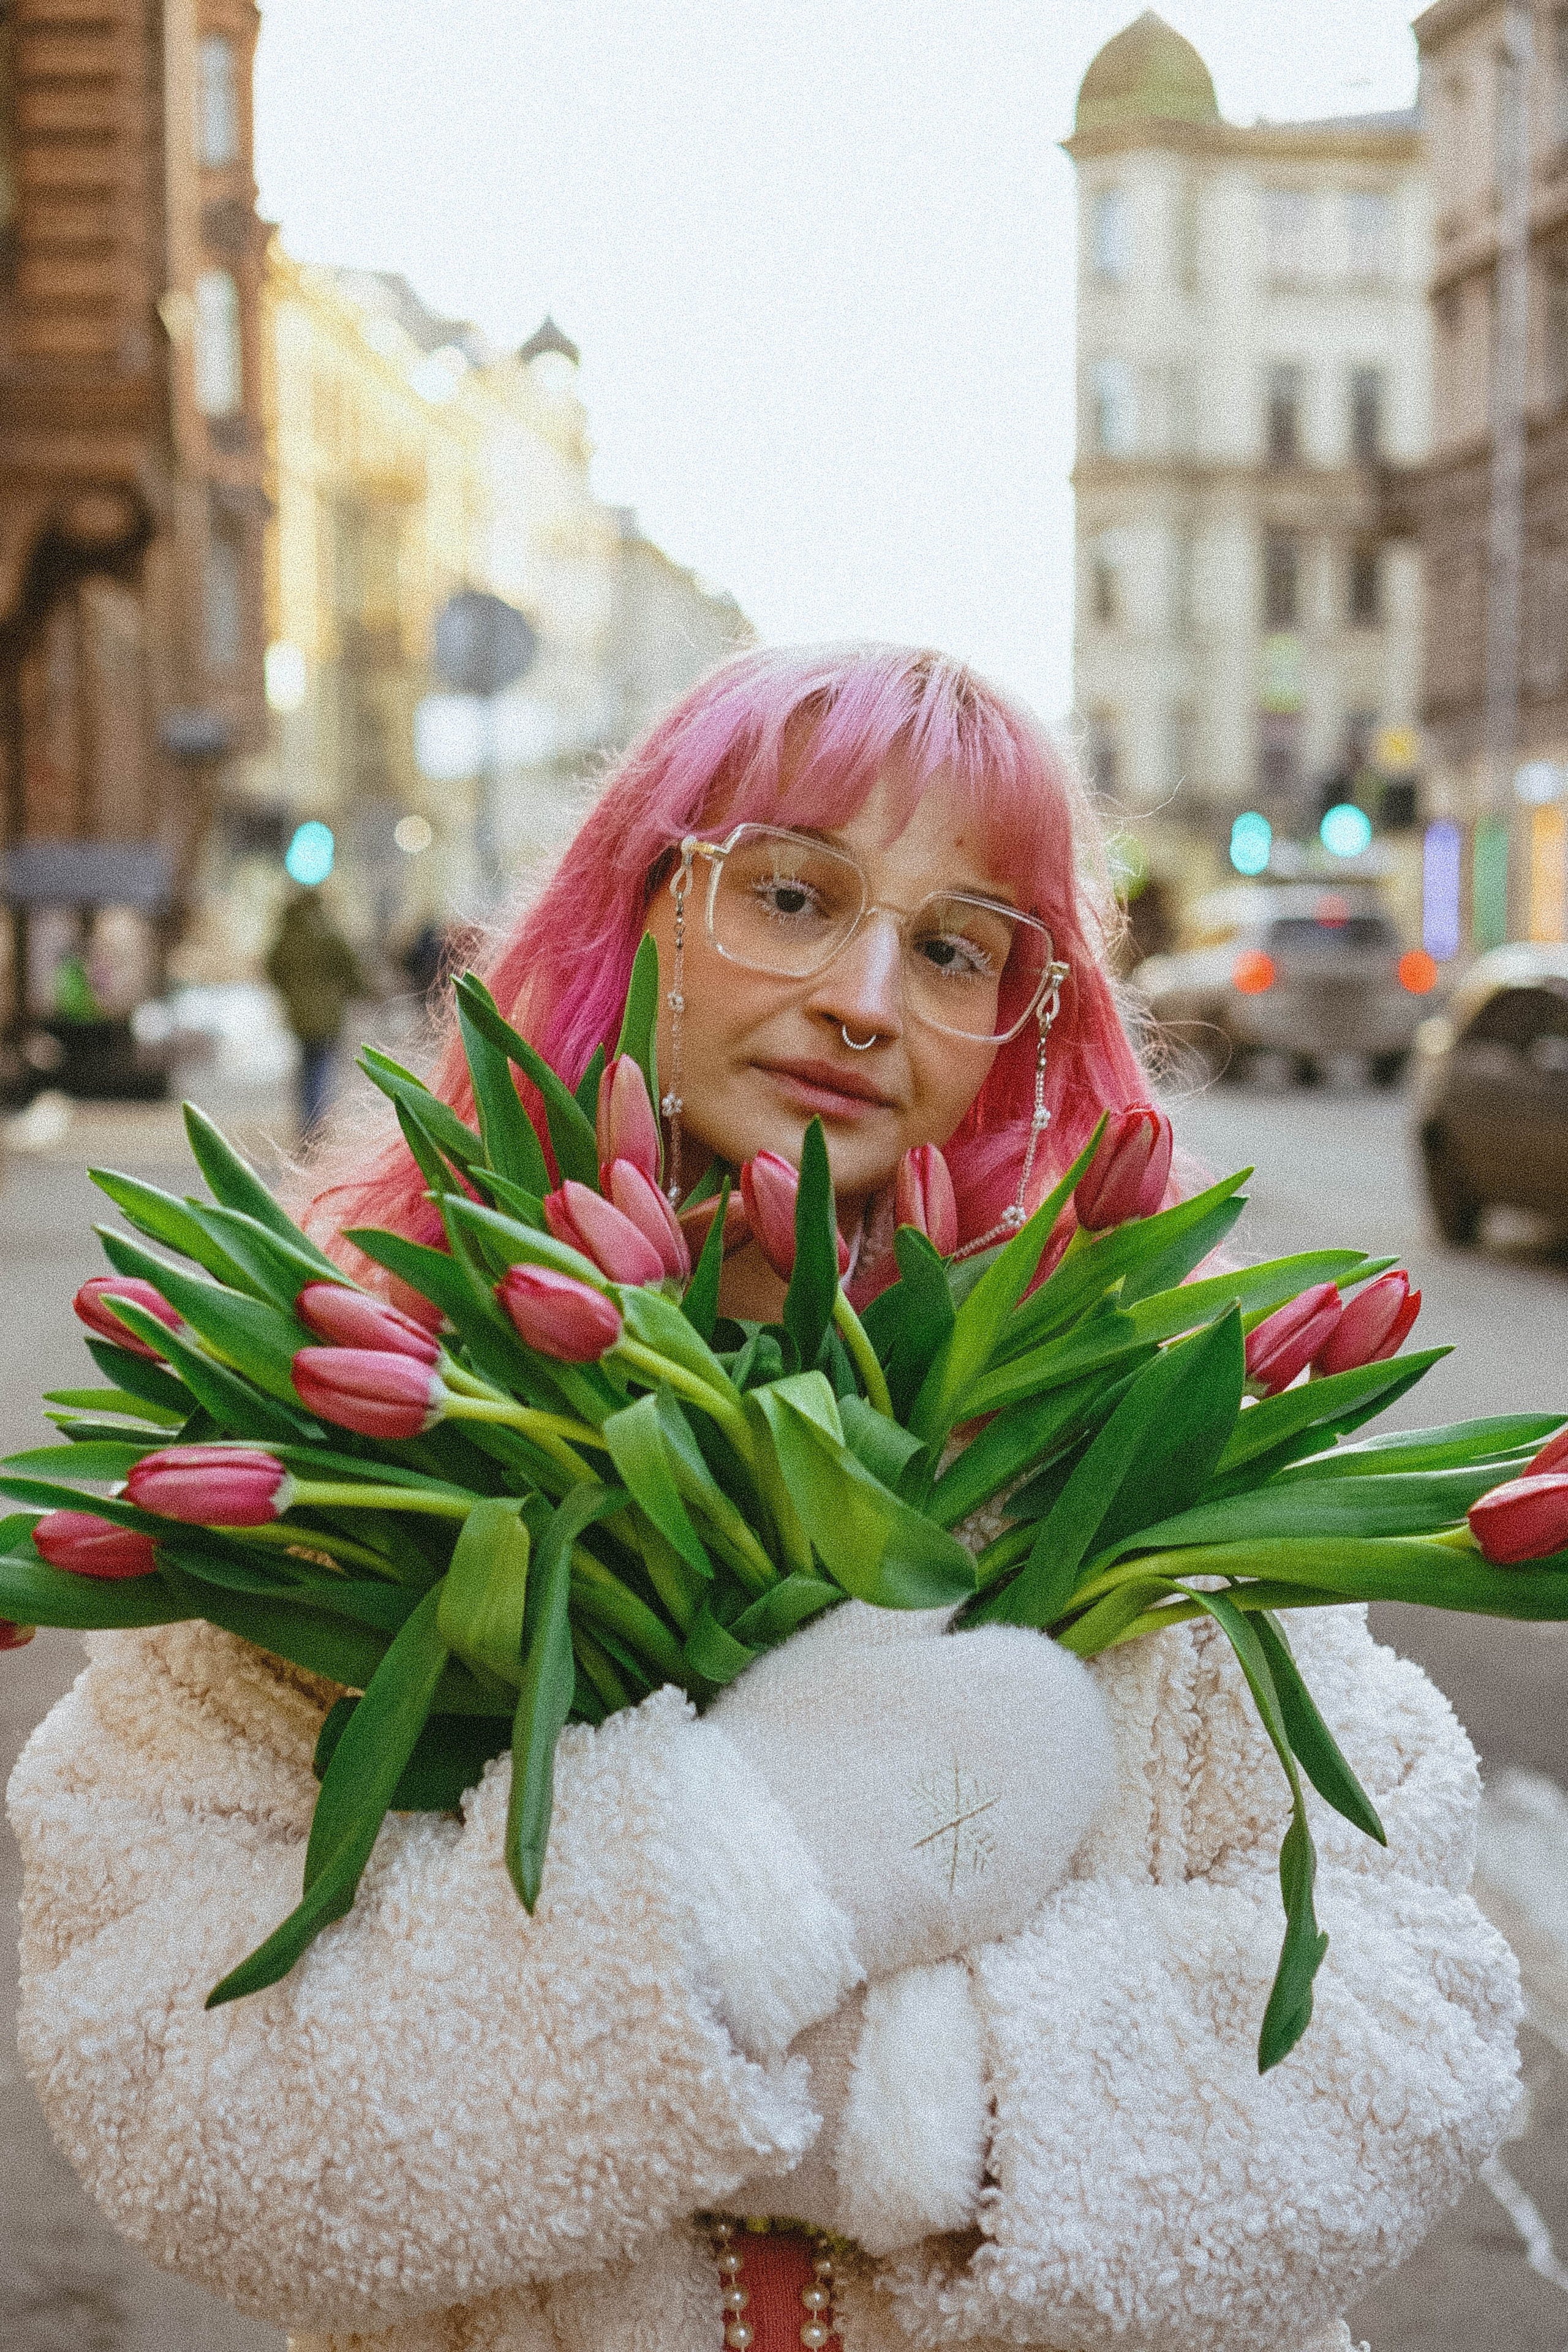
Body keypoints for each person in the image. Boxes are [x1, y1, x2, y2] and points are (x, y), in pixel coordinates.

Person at [9, 647, 1520, 2352]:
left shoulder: (1144, 1451)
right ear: (635, 914)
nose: (865, 996)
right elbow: (170, 2071)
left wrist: (901, 2096)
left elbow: (1406, 2032)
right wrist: (751, 1873)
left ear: (1025, 1025)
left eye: (954, 947)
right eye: (792, 898)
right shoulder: (351, 1460)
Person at [264, 885, 368, 1139]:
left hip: (299, 1014)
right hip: (327, 1014)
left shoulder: (287, 937)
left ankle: (307, 1122)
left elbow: (272, 968)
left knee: (306, 1067)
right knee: (320, 1068)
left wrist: (291, 991)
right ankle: (316, 1125)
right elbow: (351, 970)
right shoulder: (329, 935)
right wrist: (356, 992)